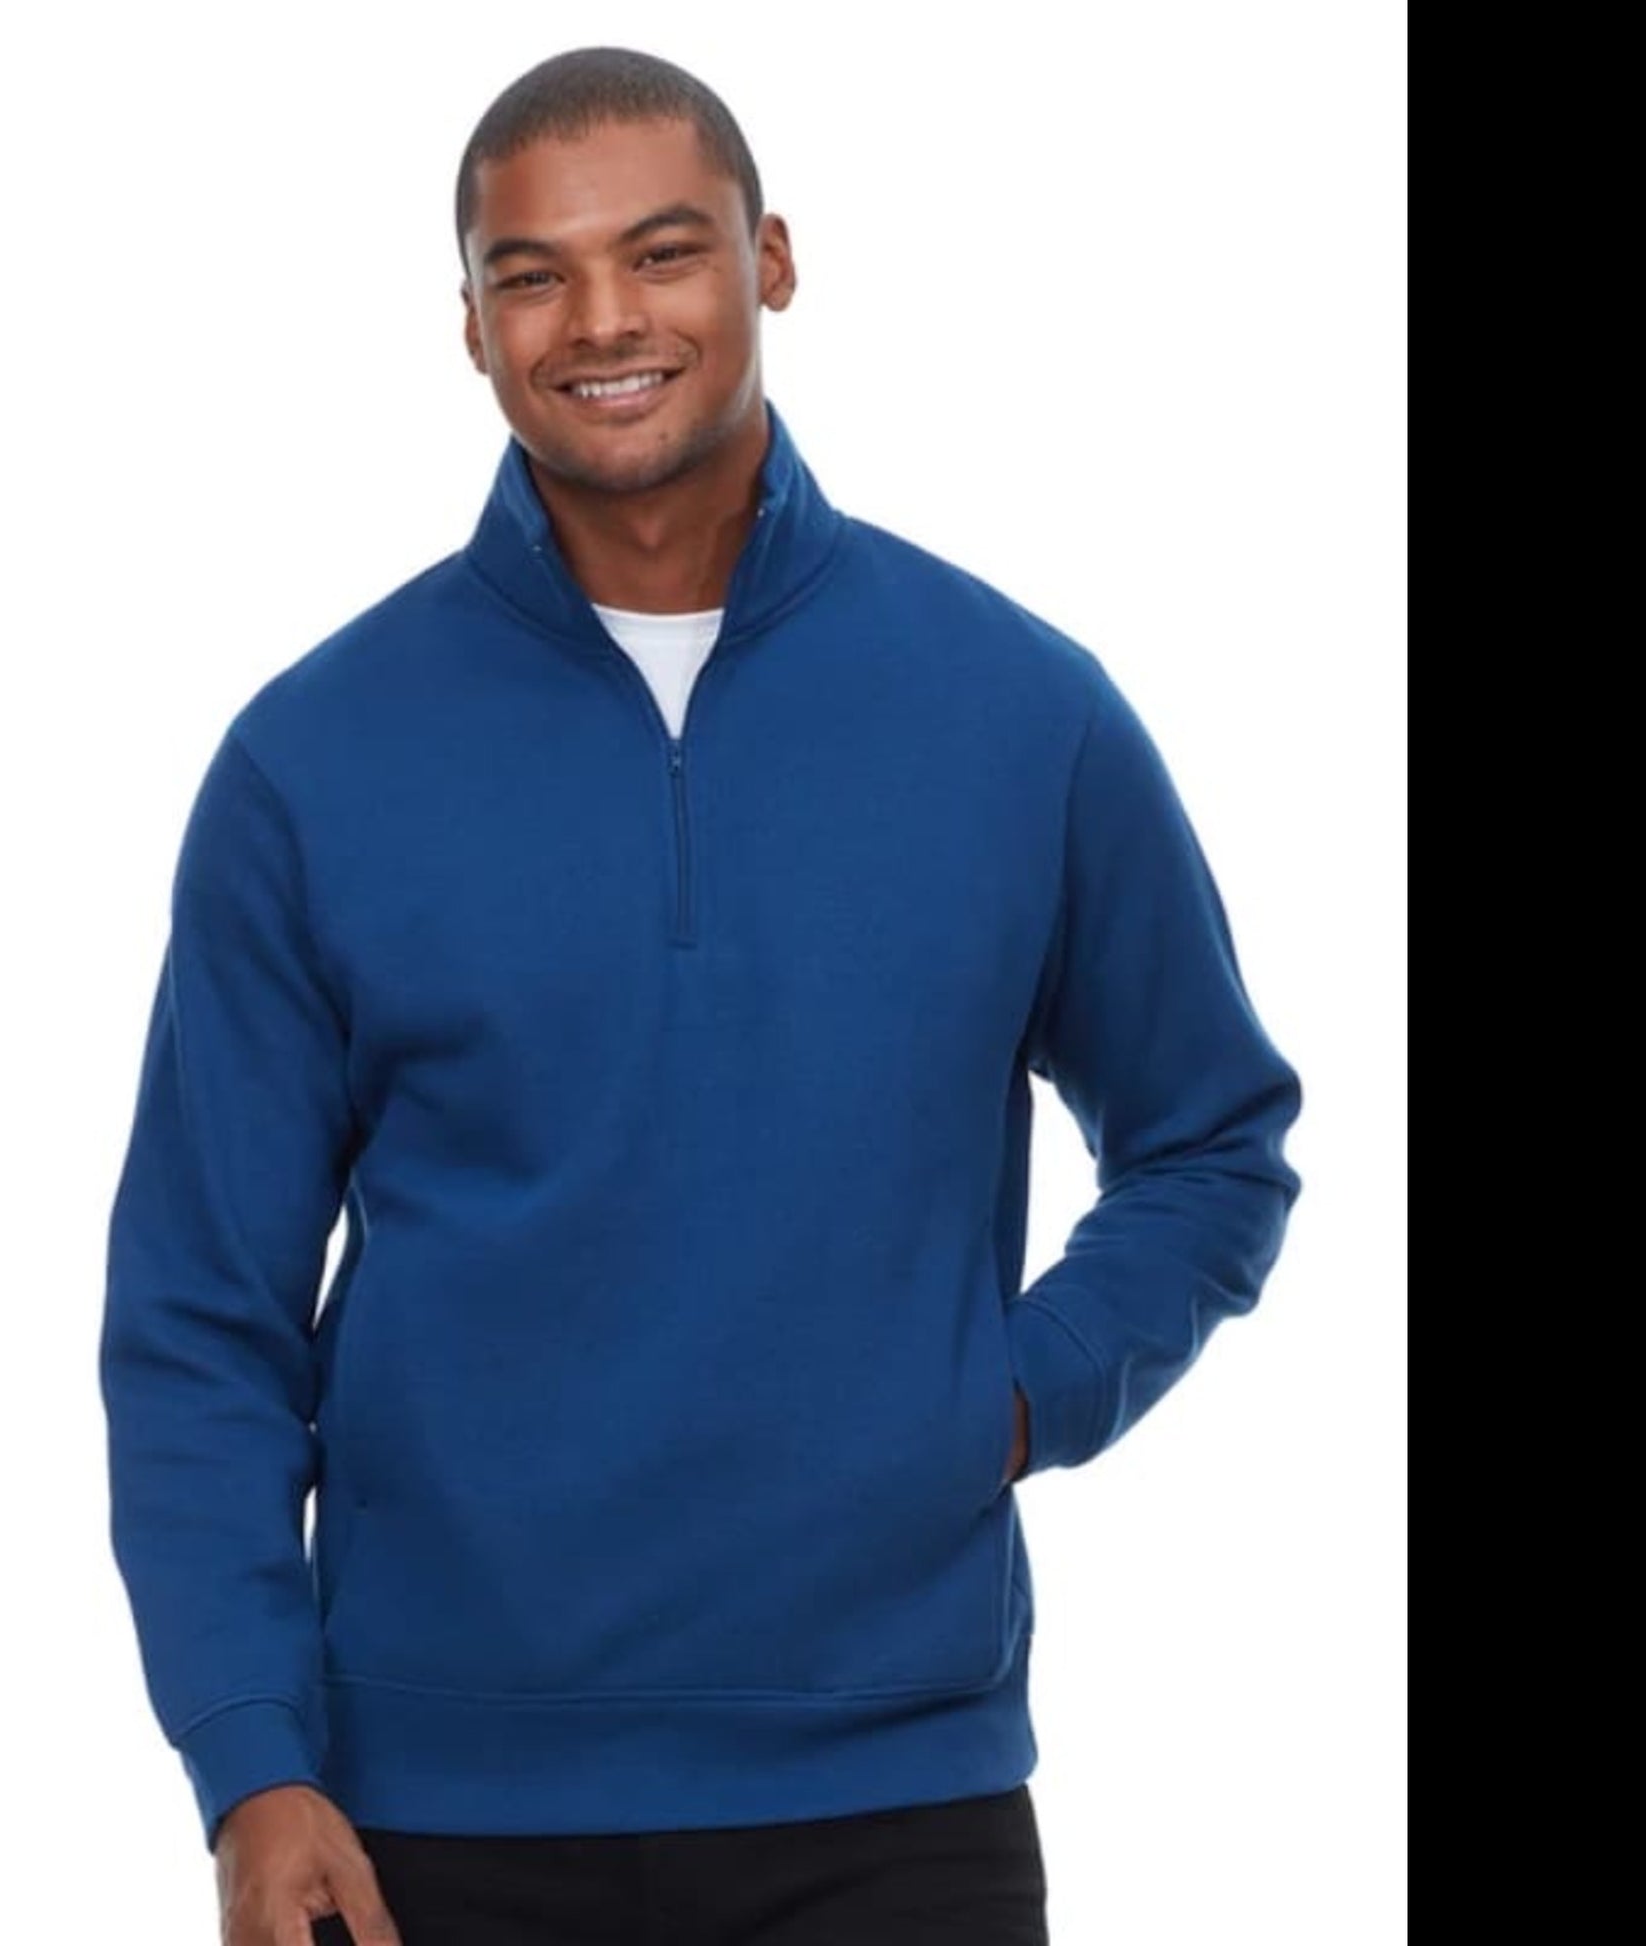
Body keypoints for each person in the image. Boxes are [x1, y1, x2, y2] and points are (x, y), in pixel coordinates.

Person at [100, 44, 1302, 1946]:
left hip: (893, 1796)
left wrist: (1006, 1396)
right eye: (531, 274)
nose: (600, 320)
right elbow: (196, 1315)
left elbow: (1212, 1139)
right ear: (471, 323)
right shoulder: (310, 761)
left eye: (661, 252)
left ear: (773, 261)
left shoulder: (1019, 713)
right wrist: (250, 1757)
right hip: (429, 1809)